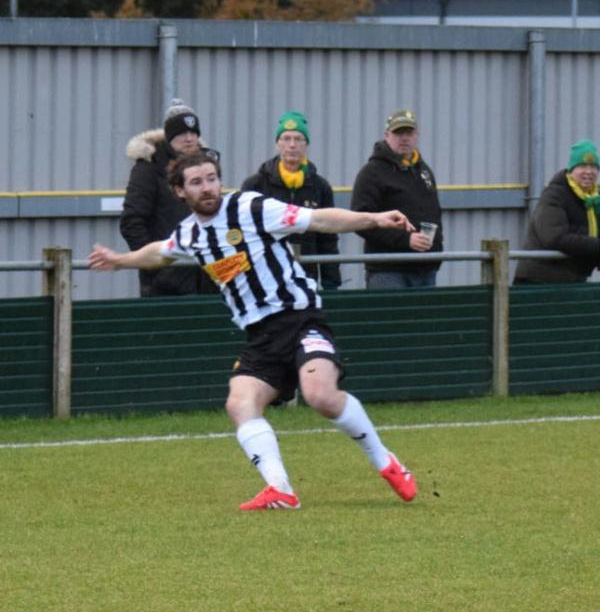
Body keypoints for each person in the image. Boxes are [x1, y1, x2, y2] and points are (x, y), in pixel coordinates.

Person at [89, 150, 419, 511]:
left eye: (212, 178)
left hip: (300, 317)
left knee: (320, 394)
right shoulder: (190, 234)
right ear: (179, 191)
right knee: (239, 402)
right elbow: (160, 253)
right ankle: (281, 489)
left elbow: (318, 219)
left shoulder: (250, 208)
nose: (208, 188)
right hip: (260, 335)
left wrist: (372, 218)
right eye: (197, 182)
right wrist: (120, 261)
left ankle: (386, 461)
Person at [119, 99, 220, 297]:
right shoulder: (148, 168)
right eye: (181, 133)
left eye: (193, 132)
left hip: (208, 276)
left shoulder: (208, 166)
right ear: (168, 136)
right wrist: (156, 265)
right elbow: (132, 221)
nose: (189, 138)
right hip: (165, 281)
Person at [240, 111, 342, 291]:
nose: (292, 145)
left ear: (306, 145)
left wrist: (331, 281)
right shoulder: (255, 185)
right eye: (286, 139)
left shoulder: (320, 187)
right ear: (277, 144)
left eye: (298, 139)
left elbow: (328, 237)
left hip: (306, 276)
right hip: (265, 276)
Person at [350, 109, 443, 289]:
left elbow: (435, 214)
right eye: (398, 133)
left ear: (417, 135)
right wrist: (405, 240)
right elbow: (359, 220)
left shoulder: (424, 172)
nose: (404, 138)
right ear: (387, 135)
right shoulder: (372, 173)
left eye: (409, 133)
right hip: (388, 270)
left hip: (426, 269)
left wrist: (437, 253)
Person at [513, 139, 600, 284]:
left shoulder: (597, 199)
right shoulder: (554, 195)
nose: (589, 171)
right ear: (571, 169)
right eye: (582, 166)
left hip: (574, 278)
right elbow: (554, 237)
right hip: (539, 280)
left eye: (594, 166)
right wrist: (599, 246)